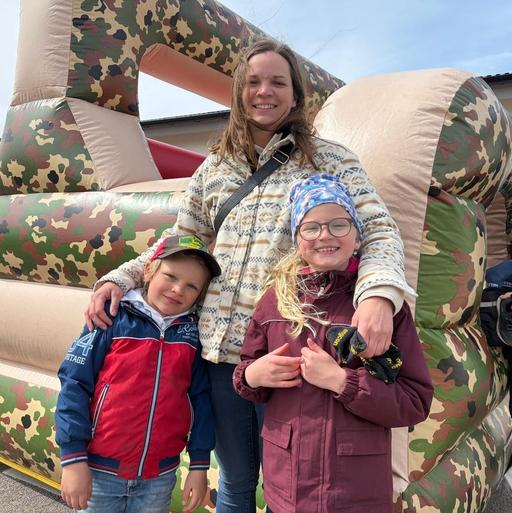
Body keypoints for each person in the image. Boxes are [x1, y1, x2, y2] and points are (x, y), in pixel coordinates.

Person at [84, 38, 414, 513]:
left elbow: (378, 228)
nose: (265, 91)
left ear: (295, 94)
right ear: (239, 92)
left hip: (290, 354)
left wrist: (378, 295)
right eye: (254, 82)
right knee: (236, 481)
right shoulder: (215, 169)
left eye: (278, 82)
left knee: (291, 484)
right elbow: (183, 240)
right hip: (221, 355)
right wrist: (121, 277)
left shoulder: (331, 160)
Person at [233, 175, 433, 513]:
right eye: (311, 228)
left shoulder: (382, 309)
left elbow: (415, 401)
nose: (325, 235)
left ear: (357, 236)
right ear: (297, 239)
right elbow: (246, 373)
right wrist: (253, 376)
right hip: (287, 491)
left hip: (354, 496)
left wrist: (342, 382)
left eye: (339, 225)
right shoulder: (273, 302)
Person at [56, 234, 221, 513]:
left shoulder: (193, 335)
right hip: (99, 472)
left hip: (159, 477)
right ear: (148, 271)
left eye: (191, 286)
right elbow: (74, 384)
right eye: (170, 276)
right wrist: (73, 459)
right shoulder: (110, 317)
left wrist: (199, 464)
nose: (178, 289)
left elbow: (200, 400)